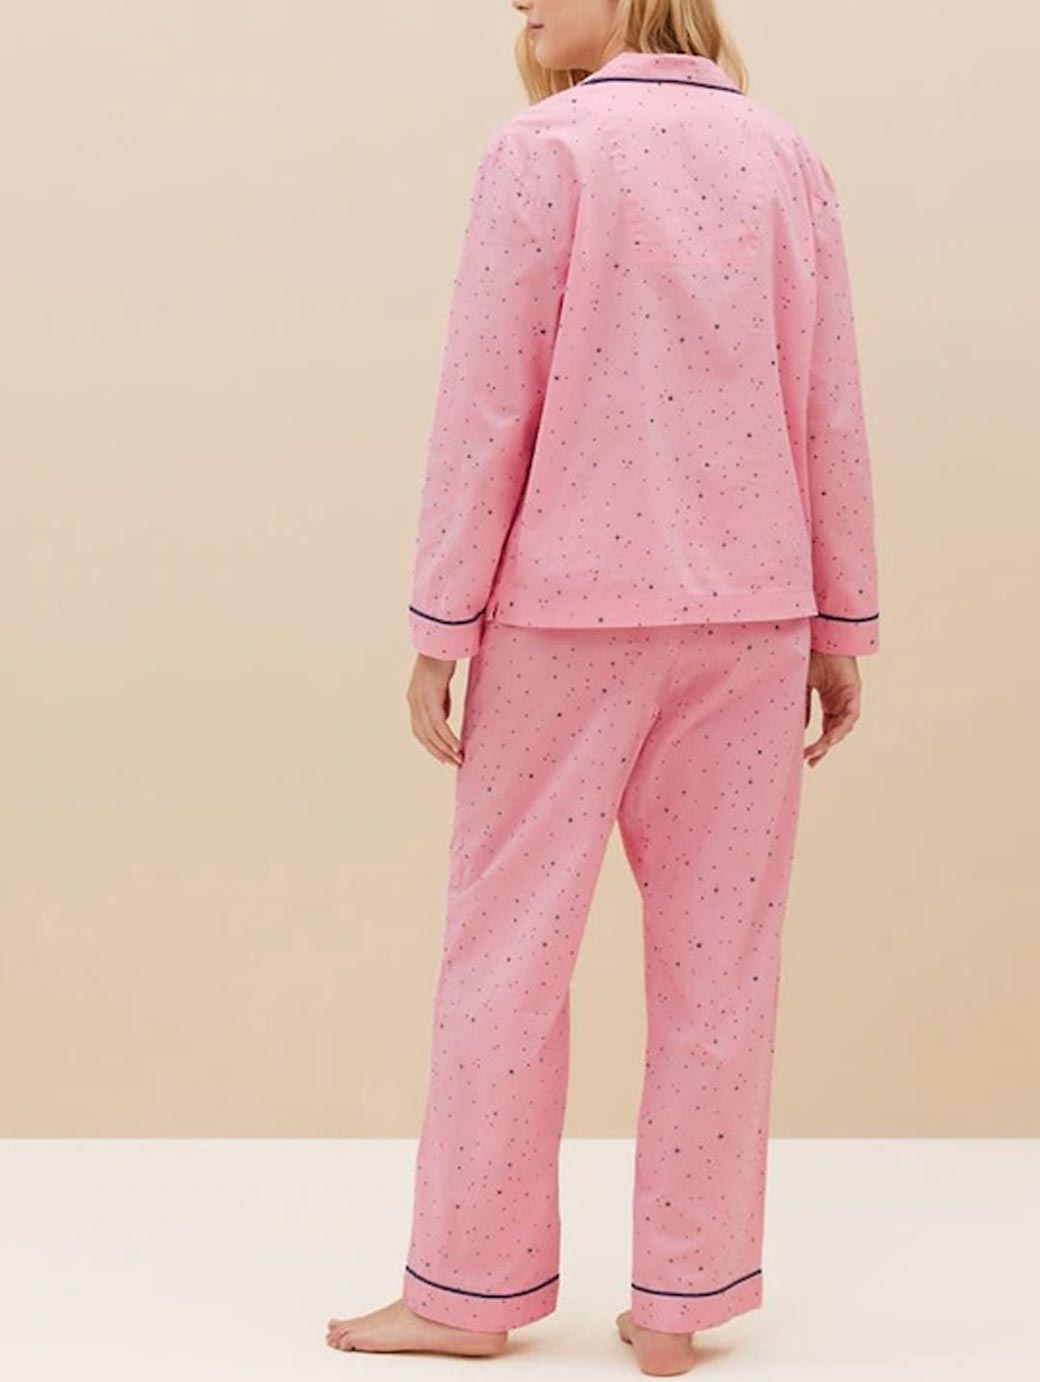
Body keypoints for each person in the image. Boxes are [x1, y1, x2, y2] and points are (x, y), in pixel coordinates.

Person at [328, 0, 880, 1374]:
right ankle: (683, 1299)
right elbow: (828, 405)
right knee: (721, 965)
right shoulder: (786, 156)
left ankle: (469, 1294)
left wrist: (441, 622)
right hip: (752, 616)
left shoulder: (545, 150)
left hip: (565, 619)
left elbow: (487, 402)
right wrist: (838, 620)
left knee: (506, 955)